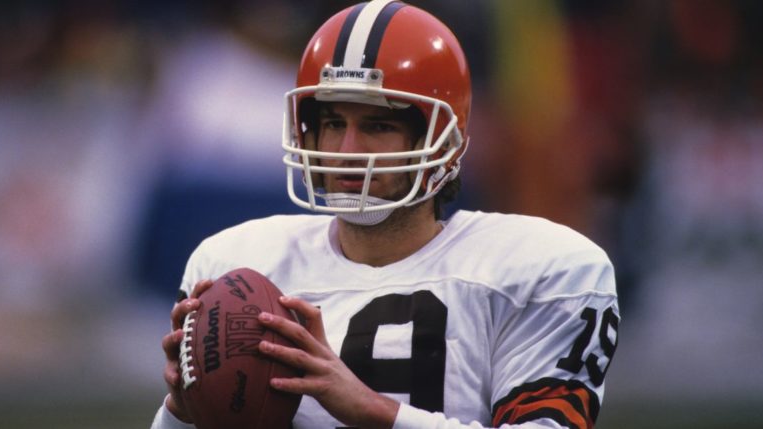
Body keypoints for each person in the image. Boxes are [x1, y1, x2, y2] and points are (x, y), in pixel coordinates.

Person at [151, 1, 620, 428]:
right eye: (333, 123)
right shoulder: (235, 263)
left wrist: (373, 410)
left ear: (442, 141)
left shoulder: (541, 269)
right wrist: (182, 412)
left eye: (377, 125)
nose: (347, 151)